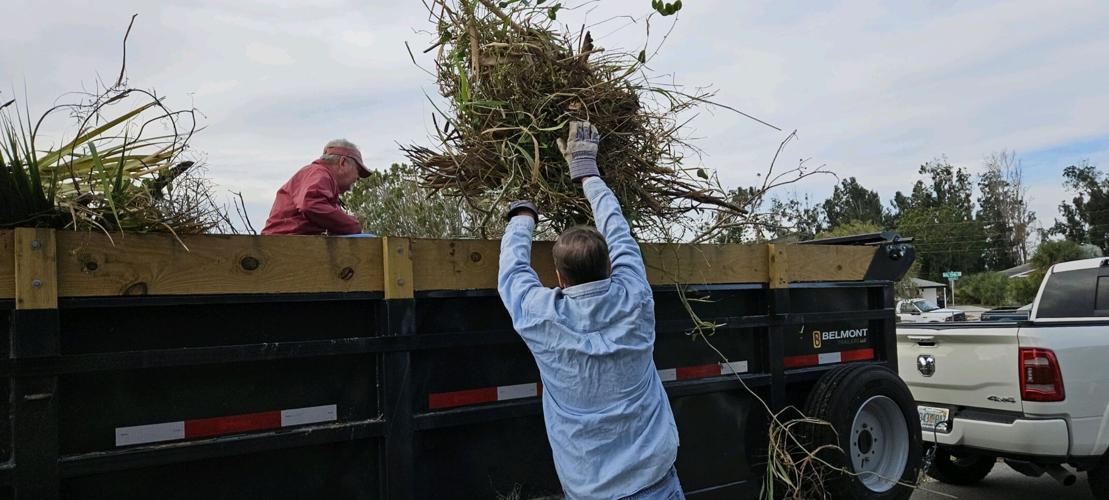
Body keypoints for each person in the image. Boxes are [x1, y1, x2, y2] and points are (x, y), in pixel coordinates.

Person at [497, 121, 684, 499]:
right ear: (611, 267)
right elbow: (619, 232)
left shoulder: (540, 315)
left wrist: (523, 216)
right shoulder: (635, 298)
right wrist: (587, 173)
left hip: (590, 490)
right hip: (657, 484)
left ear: (558, 280)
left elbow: (513, 273)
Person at [261, 139, 371, 236]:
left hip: (293, 245)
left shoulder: (320, 178)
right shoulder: (318, 172)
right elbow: (311, 204)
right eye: (358, 171)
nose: (357, 179)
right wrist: (352, 224)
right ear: (343, 163)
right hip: (283, 246)